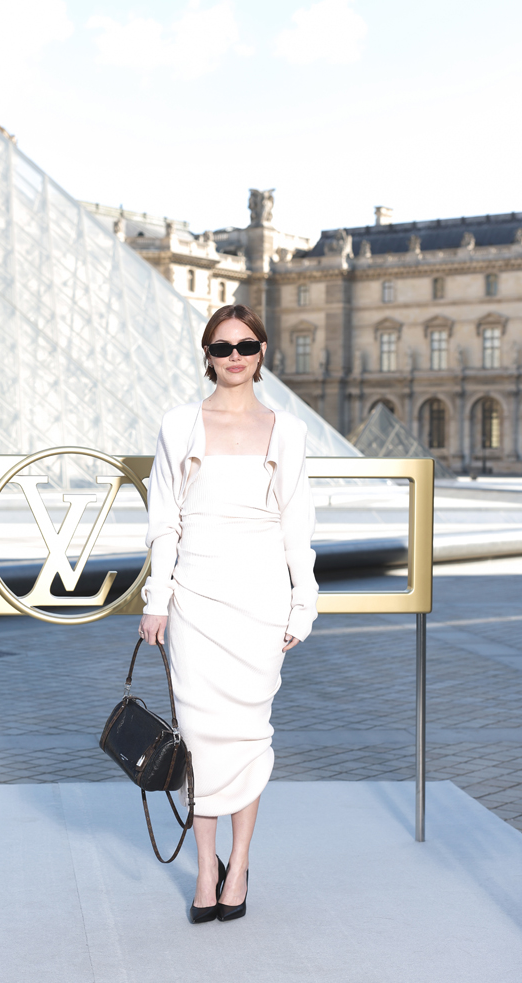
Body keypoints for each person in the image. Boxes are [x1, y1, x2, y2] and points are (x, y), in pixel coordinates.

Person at [139, 303, 318, 923]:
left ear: (262, 352)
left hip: (261, 599)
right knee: (200, 736)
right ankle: (204, 868)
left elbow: (299, 525)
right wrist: (156, 600)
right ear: (207, 355)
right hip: (195, 597)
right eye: (222, 347)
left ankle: (238, 865)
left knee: (248, 734)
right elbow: (164, 519)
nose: (235, 357)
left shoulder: (287, 430)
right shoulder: (179, 423)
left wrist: (304, 601)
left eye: (246, 346)